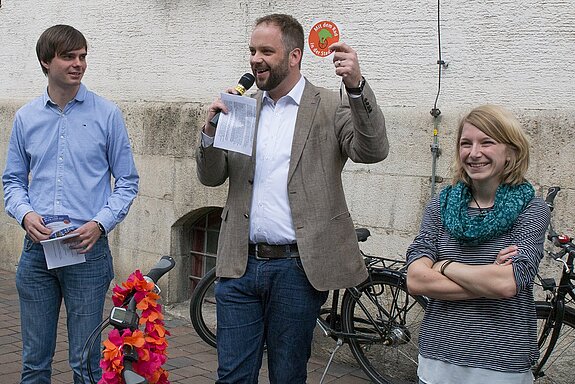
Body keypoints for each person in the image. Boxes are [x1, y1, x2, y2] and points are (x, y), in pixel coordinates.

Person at [196, 13, 388, 383]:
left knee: (287, 373)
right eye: (252, 50)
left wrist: (357, 86)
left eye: (266, 50)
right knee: (232, 374)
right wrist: (209, 132)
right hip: (239, 264)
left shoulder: (331, 105)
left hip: (296, 269)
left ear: (294, 55)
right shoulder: (243, 107)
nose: (255, 59)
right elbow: (211, 177)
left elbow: (373, 149)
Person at [2, 25, 139, 384]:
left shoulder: (106, 115)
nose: (79, 64)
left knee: (86, 364)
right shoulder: (26, 118)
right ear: (46, 61)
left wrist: (100, 223)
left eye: (82, 56)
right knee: (34, 363)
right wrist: (25, 213)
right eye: (69, 56)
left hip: (87, 252)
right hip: (37, 252)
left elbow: (127, 182)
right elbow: (13, 182)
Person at [406, 104, 550, 384]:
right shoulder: (440, 205)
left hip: (501, 363)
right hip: (438, 359)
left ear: (511, 151)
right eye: (465, 143)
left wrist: (443, 265)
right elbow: (415, 280)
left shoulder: (531, 209)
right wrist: (487, 278)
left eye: (487, 142)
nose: (474, 153)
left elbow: (507, 284)